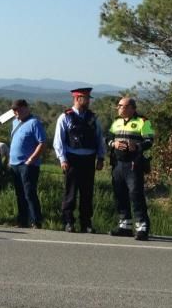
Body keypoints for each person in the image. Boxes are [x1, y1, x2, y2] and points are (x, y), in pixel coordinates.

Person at [54, 87, 107, 233]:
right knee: (70, 193)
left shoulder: (92, 118)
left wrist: (101, 157)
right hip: (72, 160)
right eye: (86, 98)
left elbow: (99, 138)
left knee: (87, 193)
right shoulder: (65, 117)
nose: (89, 101)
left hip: (89, 159)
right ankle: (68, 221)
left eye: (89, 98)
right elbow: (59, 141)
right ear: (77, 98)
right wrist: (62, 159)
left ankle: (86, 223)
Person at [109, 97, 155, 241]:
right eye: (118, 106)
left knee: (136, 195)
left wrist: (137, 146)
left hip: (134, 164)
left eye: (121, 105)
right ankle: (125, 227)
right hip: (118, 164)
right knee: (120, 194)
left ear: (131, 108)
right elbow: (107, 138)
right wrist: (113, 144)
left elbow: (149, 140)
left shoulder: (143, 121)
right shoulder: (116, 122)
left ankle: (142, 227)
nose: (119, 108)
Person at [9, 99, 47, 229]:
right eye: (14, 110)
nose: (16, 113)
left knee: (29, 193)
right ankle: (22, 220)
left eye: (18, 109)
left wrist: (32, 159)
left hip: (28, 164)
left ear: (26, 108)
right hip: (15, 164)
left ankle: (36, 220)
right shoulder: (15, 123)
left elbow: (42, 142)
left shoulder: (34, 123)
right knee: (19, 193)